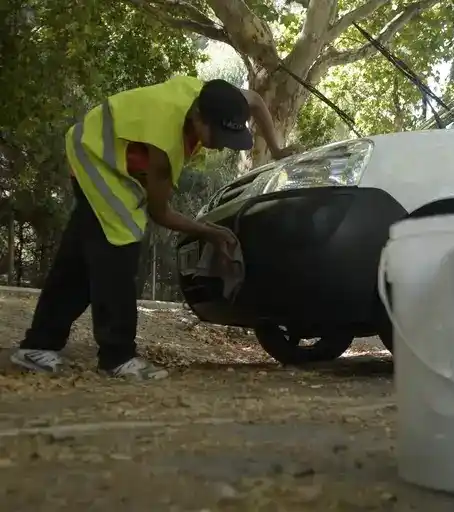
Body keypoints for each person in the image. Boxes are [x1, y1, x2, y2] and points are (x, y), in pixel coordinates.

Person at [10, 76, 297, 380]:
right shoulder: (165, 143)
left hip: (109, 153)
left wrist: (277, 149)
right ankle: (117, 357)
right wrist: (210, 232)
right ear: (199, 117)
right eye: (219, 134)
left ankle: (38, 345)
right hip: (96, 155)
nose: (223, 144)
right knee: (120, 243)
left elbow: (254, 99)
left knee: (83, 256)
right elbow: (159, 212)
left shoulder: (212, 96)